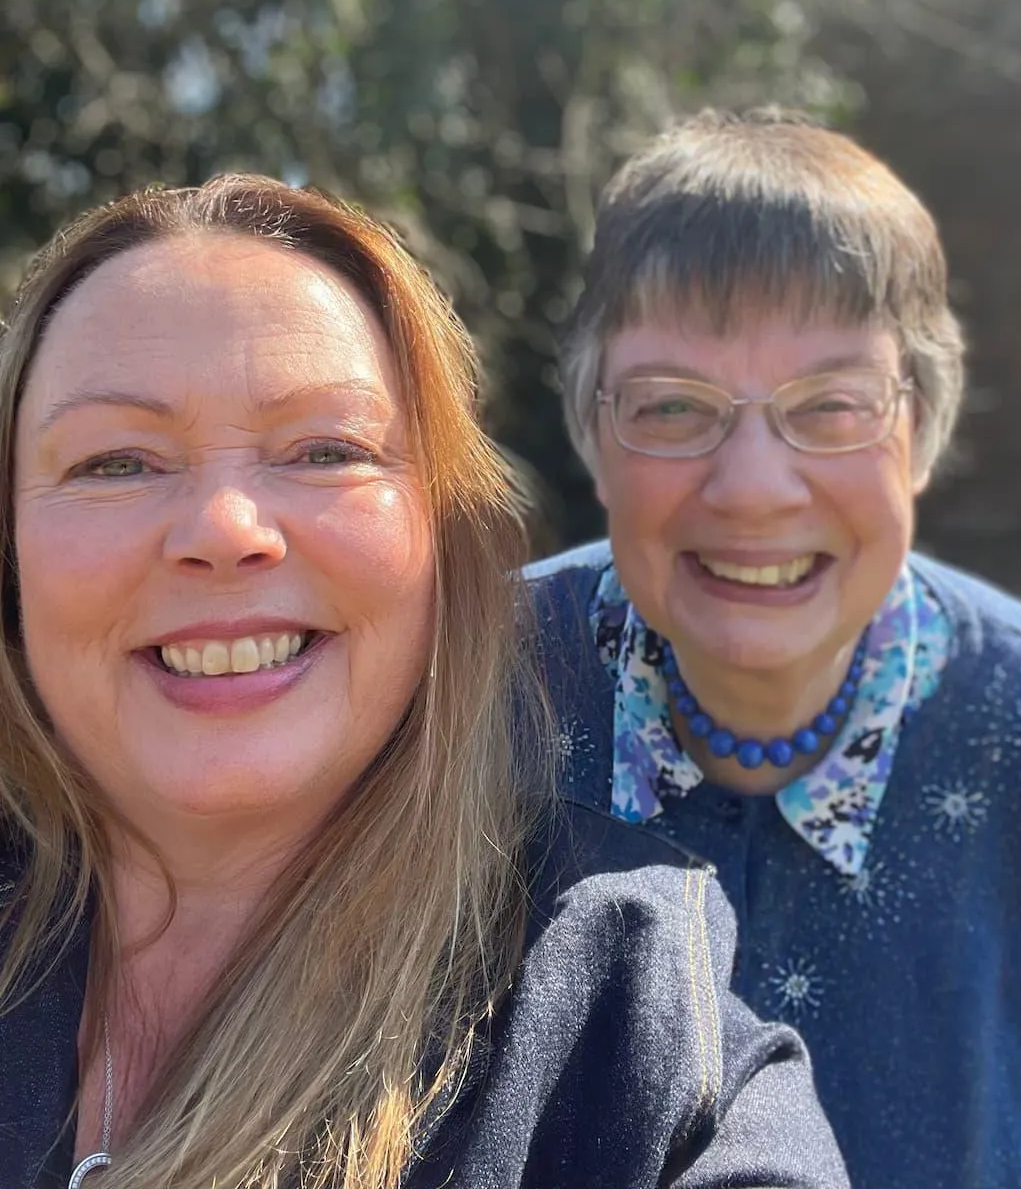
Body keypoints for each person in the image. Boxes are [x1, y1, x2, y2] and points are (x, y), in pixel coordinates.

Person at [0, 174, 847, 1189]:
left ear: (446, 553)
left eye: (326, 450)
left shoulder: (645, 1043)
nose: (226, 531)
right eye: (116, 464)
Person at [528, 108, 1021, 1189]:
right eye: (674, 407)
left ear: (920, 428)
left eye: (831, 407)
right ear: (594, 435)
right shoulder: (452, 707)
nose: (753, 487)